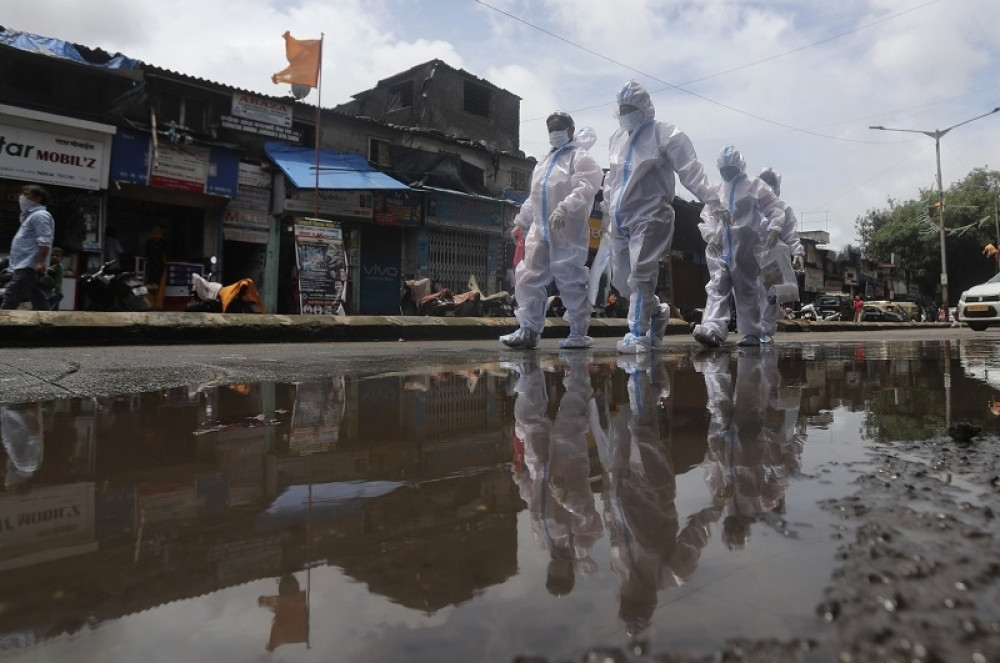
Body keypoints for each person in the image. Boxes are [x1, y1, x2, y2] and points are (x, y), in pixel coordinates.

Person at [603, 81, 725, 354]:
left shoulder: (665, 134)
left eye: (629, 108)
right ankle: (657, 311)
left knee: (640, 274)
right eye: (621, 109)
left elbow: (690, 170)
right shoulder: (617, 139)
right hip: (620, 219)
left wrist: (713, 199)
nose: (624, 114)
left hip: (651, 214)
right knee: (622, 281)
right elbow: (613, 179)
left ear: (644, 108)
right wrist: (606, 206)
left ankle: (637, 333)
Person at [500, 111, 603, 349]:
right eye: (550, 129)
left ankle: (578, 333)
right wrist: (522, 221)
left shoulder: (579, 157)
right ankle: (528, 330)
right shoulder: (544, 161)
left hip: (566, 230)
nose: (554, 133)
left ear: (570, 129)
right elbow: (534, 197)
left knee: (570, 280)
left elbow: (587, 186)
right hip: (540, 230)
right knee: (528, 278)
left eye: (558, 127)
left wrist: (565, 208)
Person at [510, 352, 603, 595]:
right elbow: (589, 517)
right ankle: (578, 365)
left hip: (539, 467)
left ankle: (529, 368)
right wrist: (566, 499)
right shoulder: (582, 544)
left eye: (552, 574)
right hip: (568, 467)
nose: (556, 568)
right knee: (571, 417)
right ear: (570, 572)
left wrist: (520, 477)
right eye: (561, 574)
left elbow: (534, 503)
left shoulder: (542, 540)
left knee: (529, 420)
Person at [692, 146, 785, 347]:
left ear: (740, 167)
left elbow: (775, 209)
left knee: (747, 290)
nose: (727, 173)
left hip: (746, 249)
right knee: (717, 287)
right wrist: (710, 234)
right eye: (723, 169)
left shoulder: (755, 186)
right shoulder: (716, 191)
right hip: (720, 249)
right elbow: (706, 216)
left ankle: (751, 332)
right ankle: (712, 329)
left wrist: (775, 228)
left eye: (730, 168)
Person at [757, 168, 805, 339]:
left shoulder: (783, 209)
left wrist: (797, 252)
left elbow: (791, 233)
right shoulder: (750, 205)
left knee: (771, 294)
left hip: (771, 259)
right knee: (749, 294)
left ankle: (765, 331)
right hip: (749, 256)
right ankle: (750, 331)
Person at [2, 184, 54, 310]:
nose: (21, 197)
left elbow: (45, 240)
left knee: (11, 297)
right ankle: (48, 326)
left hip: (28, 266)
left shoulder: (40, 215)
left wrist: (40, 262)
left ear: (38, 198)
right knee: (39, 299)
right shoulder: (29, 217)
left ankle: (3, 325)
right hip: (25, 265)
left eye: (26, 194)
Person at [144, 226, 168, 310]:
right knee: (160, 287)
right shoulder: (163, 243)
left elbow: (146, 255)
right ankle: (158, 305)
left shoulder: (149, 242)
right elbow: (164, 256)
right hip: (160, 267)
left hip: (151, 267)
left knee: (150, 286)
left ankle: (150, 304)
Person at [46, 246, 65, 310]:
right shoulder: (59, 266)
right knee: (55, 308)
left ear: (62, 258)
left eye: (57, 256)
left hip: (55, 291)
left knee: (49, 307)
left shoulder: (57, 266)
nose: (54, 257)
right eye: (52, 255)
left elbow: (47, 271)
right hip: (58, 292)